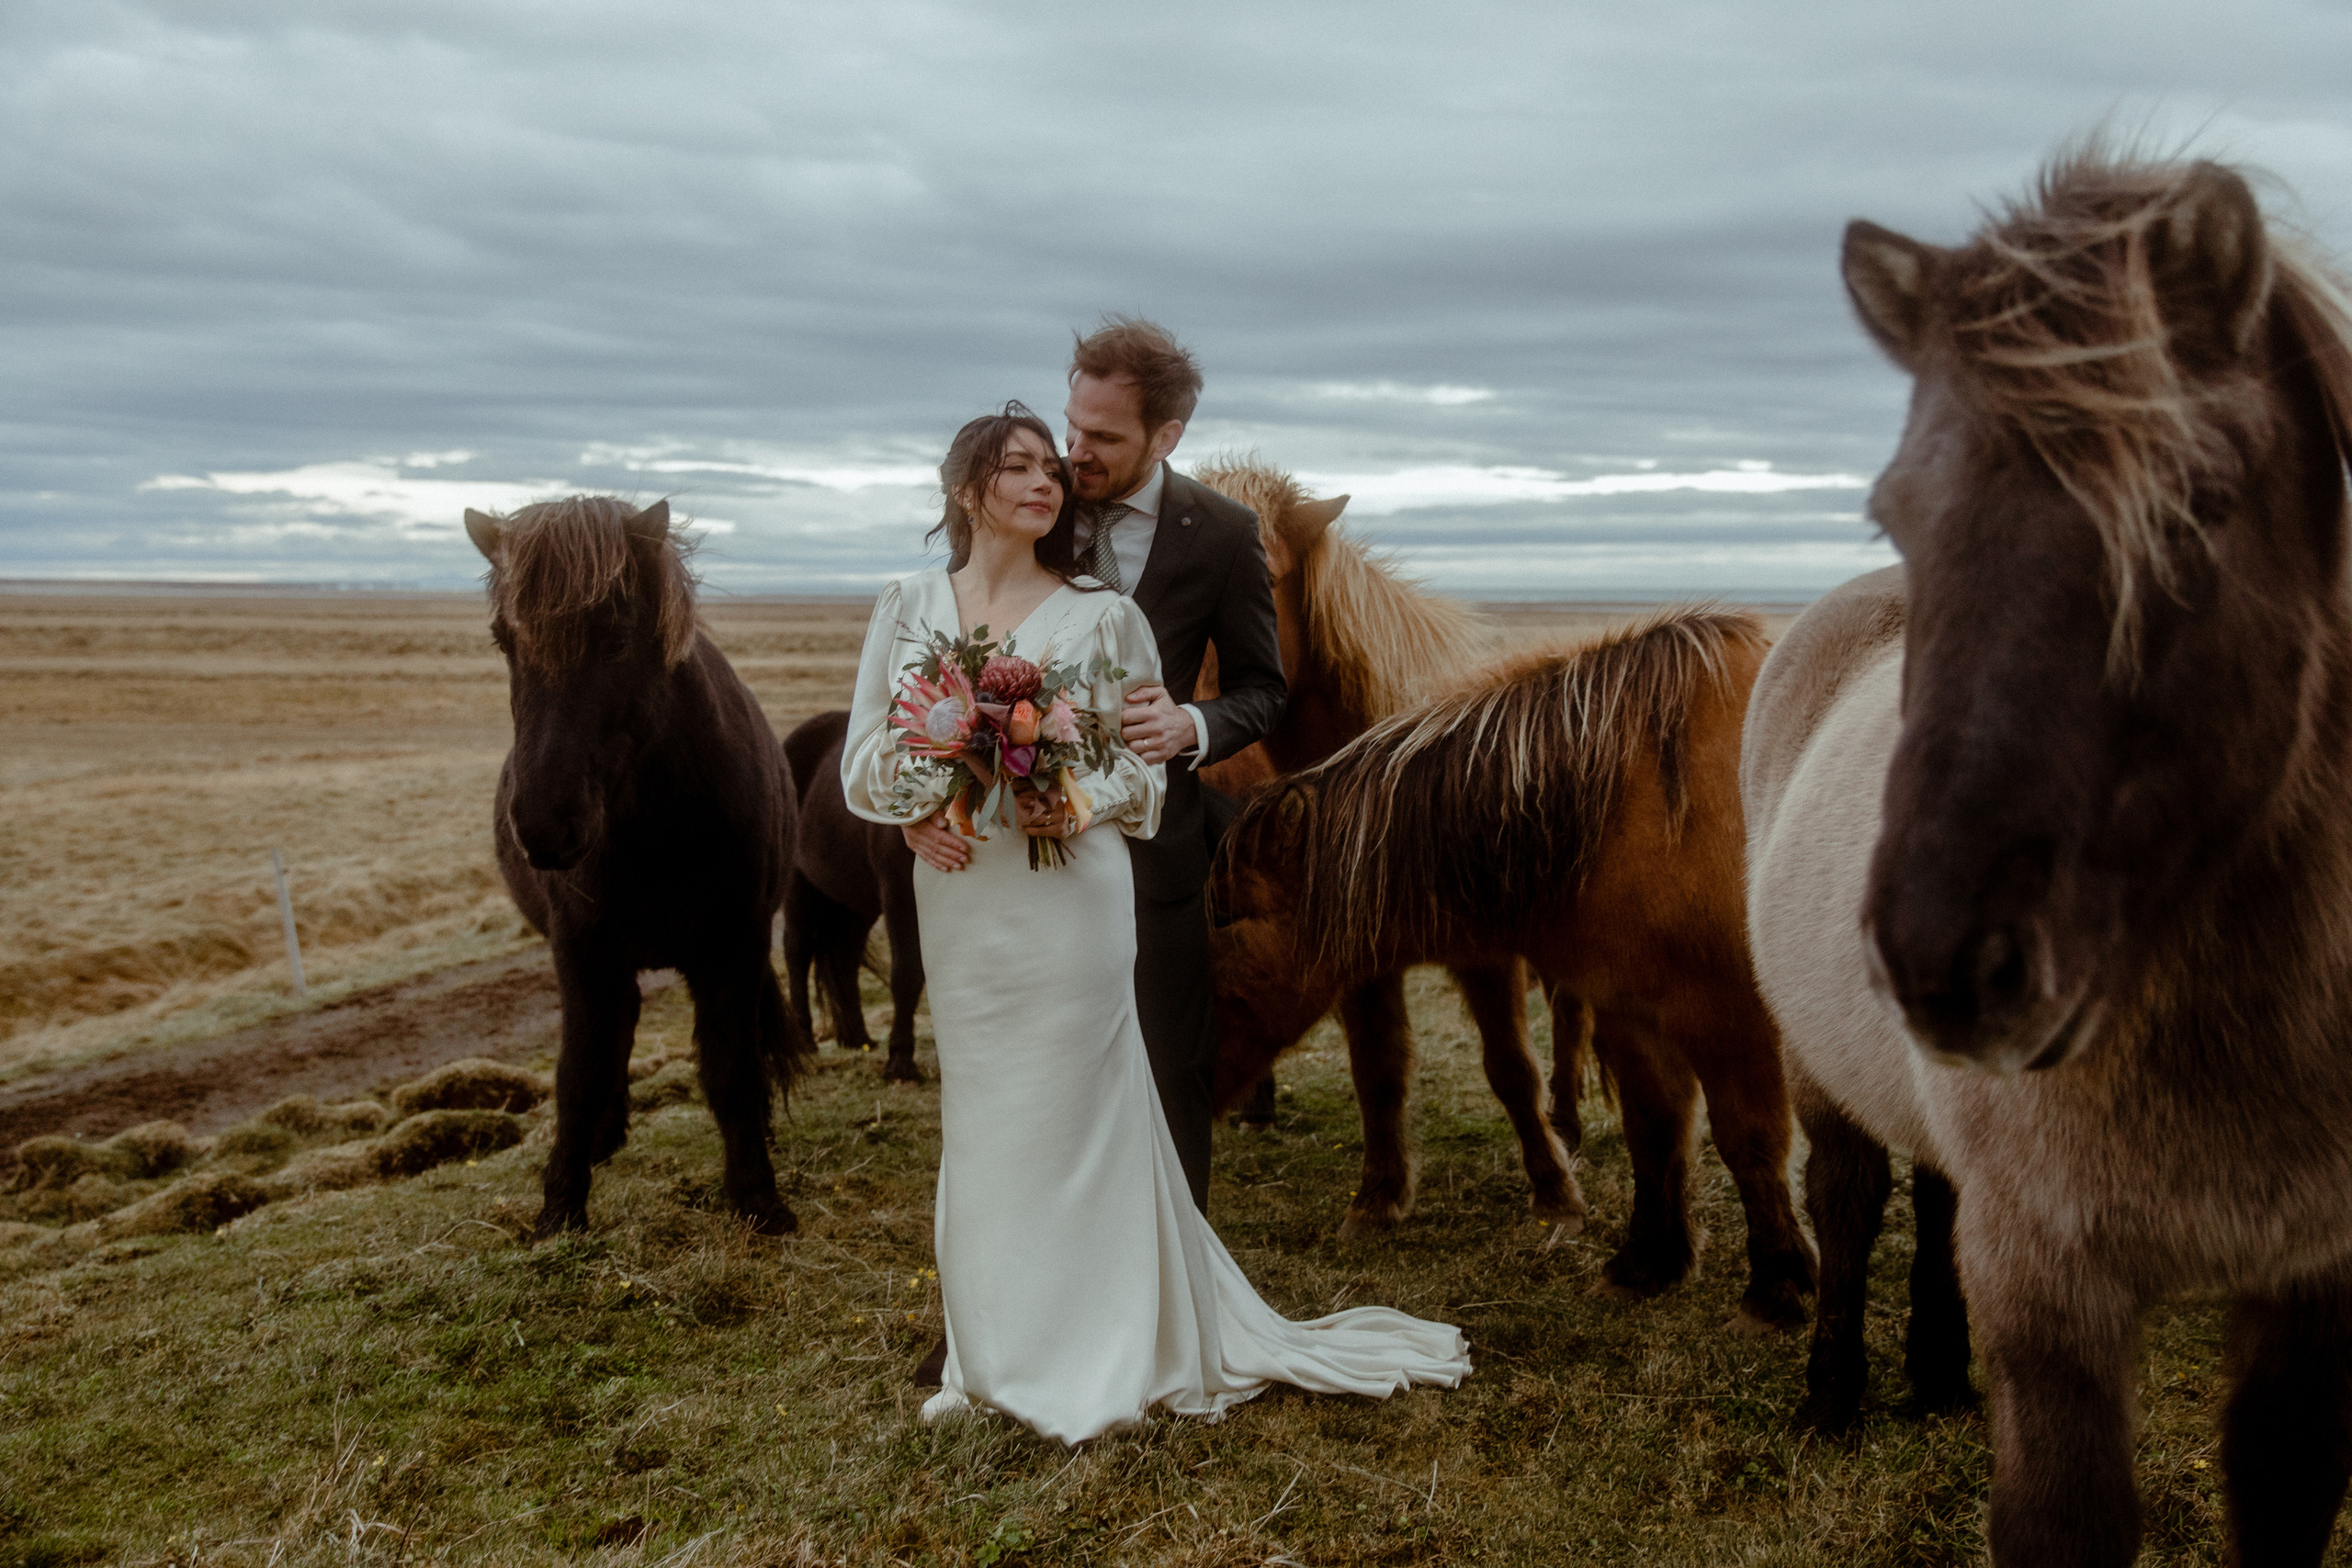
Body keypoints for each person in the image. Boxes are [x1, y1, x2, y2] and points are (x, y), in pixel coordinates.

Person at [840, 402, 1469, 1445]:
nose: (1045, 482)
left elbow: (1147, 771)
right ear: (966, 492)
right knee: (989, 1120)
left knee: (1080, 1112)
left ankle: (1108, 1345)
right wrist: (922, 806)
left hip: (1071, 898)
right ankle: (994, 1348)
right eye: (1017, 467)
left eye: (1051, 467)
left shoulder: (1099, 616)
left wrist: (1076, 800)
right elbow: (865, 755)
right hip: (964, 899)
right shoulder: (905, 607)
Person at [899, 318, 1285, 1216]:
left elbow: (1264, 689)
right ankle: (1003, 1307)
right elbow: (950, 660)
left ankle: (1168, 1304)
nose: (1073, 455)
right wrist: (923, 797)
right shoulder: (1034, 505)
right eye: (1071, 428)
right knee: (1021, 1078)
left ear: (1167, 436)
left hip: (1155, 855)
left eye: (1102, 438)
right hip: (1015, 856)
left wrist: (1193, 723)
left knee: (1171, 1075)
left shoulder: (1226, 535)